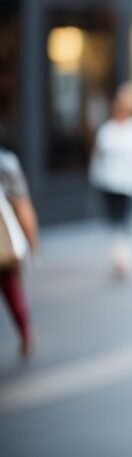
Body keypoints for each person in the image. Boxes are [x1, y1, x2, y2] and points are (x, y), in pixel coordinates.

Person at [89, 83, 132, 279]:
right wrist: (95, 176)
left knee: (124, 218)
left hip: (128, 182)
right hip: (109, 181)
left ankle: (122, 257)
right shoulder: (107, 130)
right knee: (114, 219)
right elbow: (98, 155)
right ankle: (120, 255)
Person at [0, 148, 38, 358]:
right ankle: (25, 335)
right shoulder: (6, 163)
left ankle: (25, 335)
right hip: (4, 248)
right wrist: (32, 247)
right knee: (12, 290)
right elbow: (23, 209)